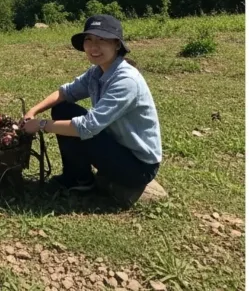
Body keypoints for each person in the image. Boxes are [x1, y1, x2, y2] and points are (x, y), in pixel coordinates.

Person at [22, 14, 162, 196]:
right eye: (89, 39)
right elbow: (66, 92)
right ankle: (79, 178)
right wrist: (33, 110)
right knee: (63, 108)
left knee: (82, 127)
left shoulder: (126, 80)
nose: (94, 46)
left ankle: (82, 181)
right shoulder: (97, 72)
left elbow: (88, 127)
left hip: (138, 166)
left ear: (117, 44)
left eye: (102, 40)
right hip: (116, 144)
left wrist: (41, 125)